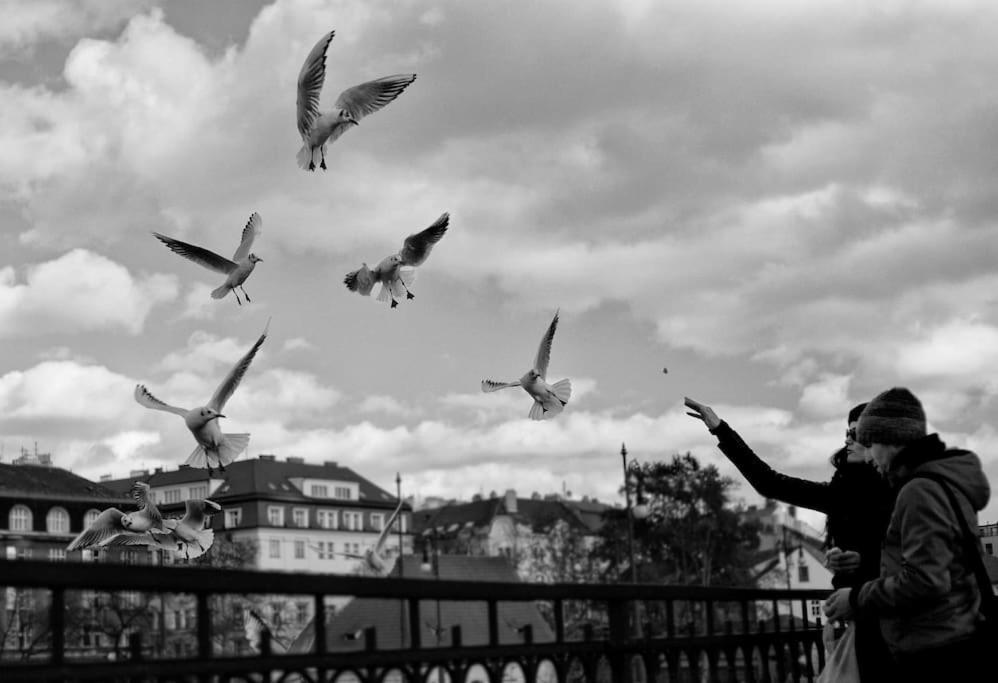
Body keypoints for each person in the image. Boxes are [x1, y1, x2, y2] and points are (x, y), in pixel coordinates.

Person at [685, 396, 894, 681]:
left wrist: (861, 562)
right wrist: (720, 429)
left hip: (887, 621)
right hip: (848, 620)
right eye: (846, 431)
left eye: (855, 433)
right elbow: (769, 482)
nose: (847, 439)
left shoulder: (902, 493)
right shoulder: (840, 492)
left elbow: (908, 562)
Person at [824, 387, 991, 682]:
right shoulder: (942, 481)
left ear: (890, 440)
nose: (870, 455)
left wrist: (855, 598)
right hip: (958, 639)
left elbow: (925, 580)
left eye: (871, 442)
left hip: (936, 649)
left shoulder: (918, 490)